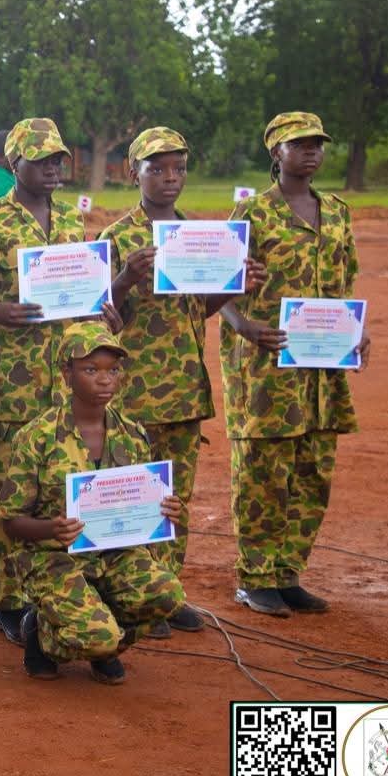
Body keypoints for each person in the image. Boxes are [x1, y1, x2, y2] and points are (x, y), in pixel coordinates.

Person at [99, 127, 266, 634]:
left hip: (185, 390)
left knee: (176, 498)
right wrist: (126, 277)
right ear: (134, 173)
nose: (170, 179)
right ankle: (129, 596)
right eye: (157, 169)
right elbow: (99, 319)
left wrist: (236, 286)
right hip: (132, 393)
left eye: (178, 169)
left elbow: (201, 310)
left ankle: (166, 595)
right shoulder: (118, 237)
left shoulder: (199, 236)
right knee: (128, 495)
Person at [219, 112, 370, 617]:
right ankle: (255, 576)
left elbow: (344, 282)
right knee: (263, 474)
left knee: (313, 471)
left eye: (317, 144)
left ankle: (287, 573)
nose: (311, 152)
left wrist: (357, 332)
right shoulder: (251, 213)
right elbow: (213, 285)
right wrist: (243, 326)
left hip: (322, 371)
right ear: (275, 153)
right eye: (298, 144)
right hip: (266, 370)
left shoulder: (338, 211)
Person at [0, 117, 86, 647]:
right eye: (42, 160)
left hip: (61, 384)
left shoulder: (73, 225)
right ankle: (5, 599)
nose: (53, 168)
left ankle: (46, 593)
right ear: (14, 164)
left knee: (53, 490)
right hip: (5, 380)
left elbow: (83, 291)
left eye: (58, 159)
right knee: (5, 497)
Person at [0, 322, 186, 684]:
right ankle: (44, 637)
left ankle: (108, 645)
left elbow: (142, 507)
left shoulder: (133, 435)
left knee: (167, 595)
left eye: (112, 370)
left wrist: (164, 512)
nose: (105, 380)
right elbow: (9, 520)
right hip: (52, 557)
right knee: (96, 637)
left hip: (113, 554)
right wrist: (51, 528)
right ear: (66, 373)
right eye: (90, 370)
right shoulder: (37, 437)